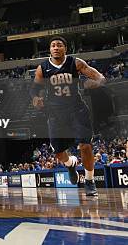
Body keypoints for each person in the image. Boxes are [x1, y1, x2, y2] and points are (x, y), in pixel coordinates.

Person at [31, 36, 105, 196]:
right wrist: (36, 98)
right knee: (58, 152)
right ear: (50, 50)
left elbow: (98, 76)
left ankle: (89, 181)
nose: (56, 47)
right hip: (56, 114)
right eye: (52, 46)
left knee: (85, 145)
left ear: (65, 48)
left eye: (59, 45)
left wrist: (98, 81)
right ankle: (71, 164)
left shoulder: (75, 63)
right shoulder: (42, 68)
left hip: (76, 110)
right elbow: (34, 89)